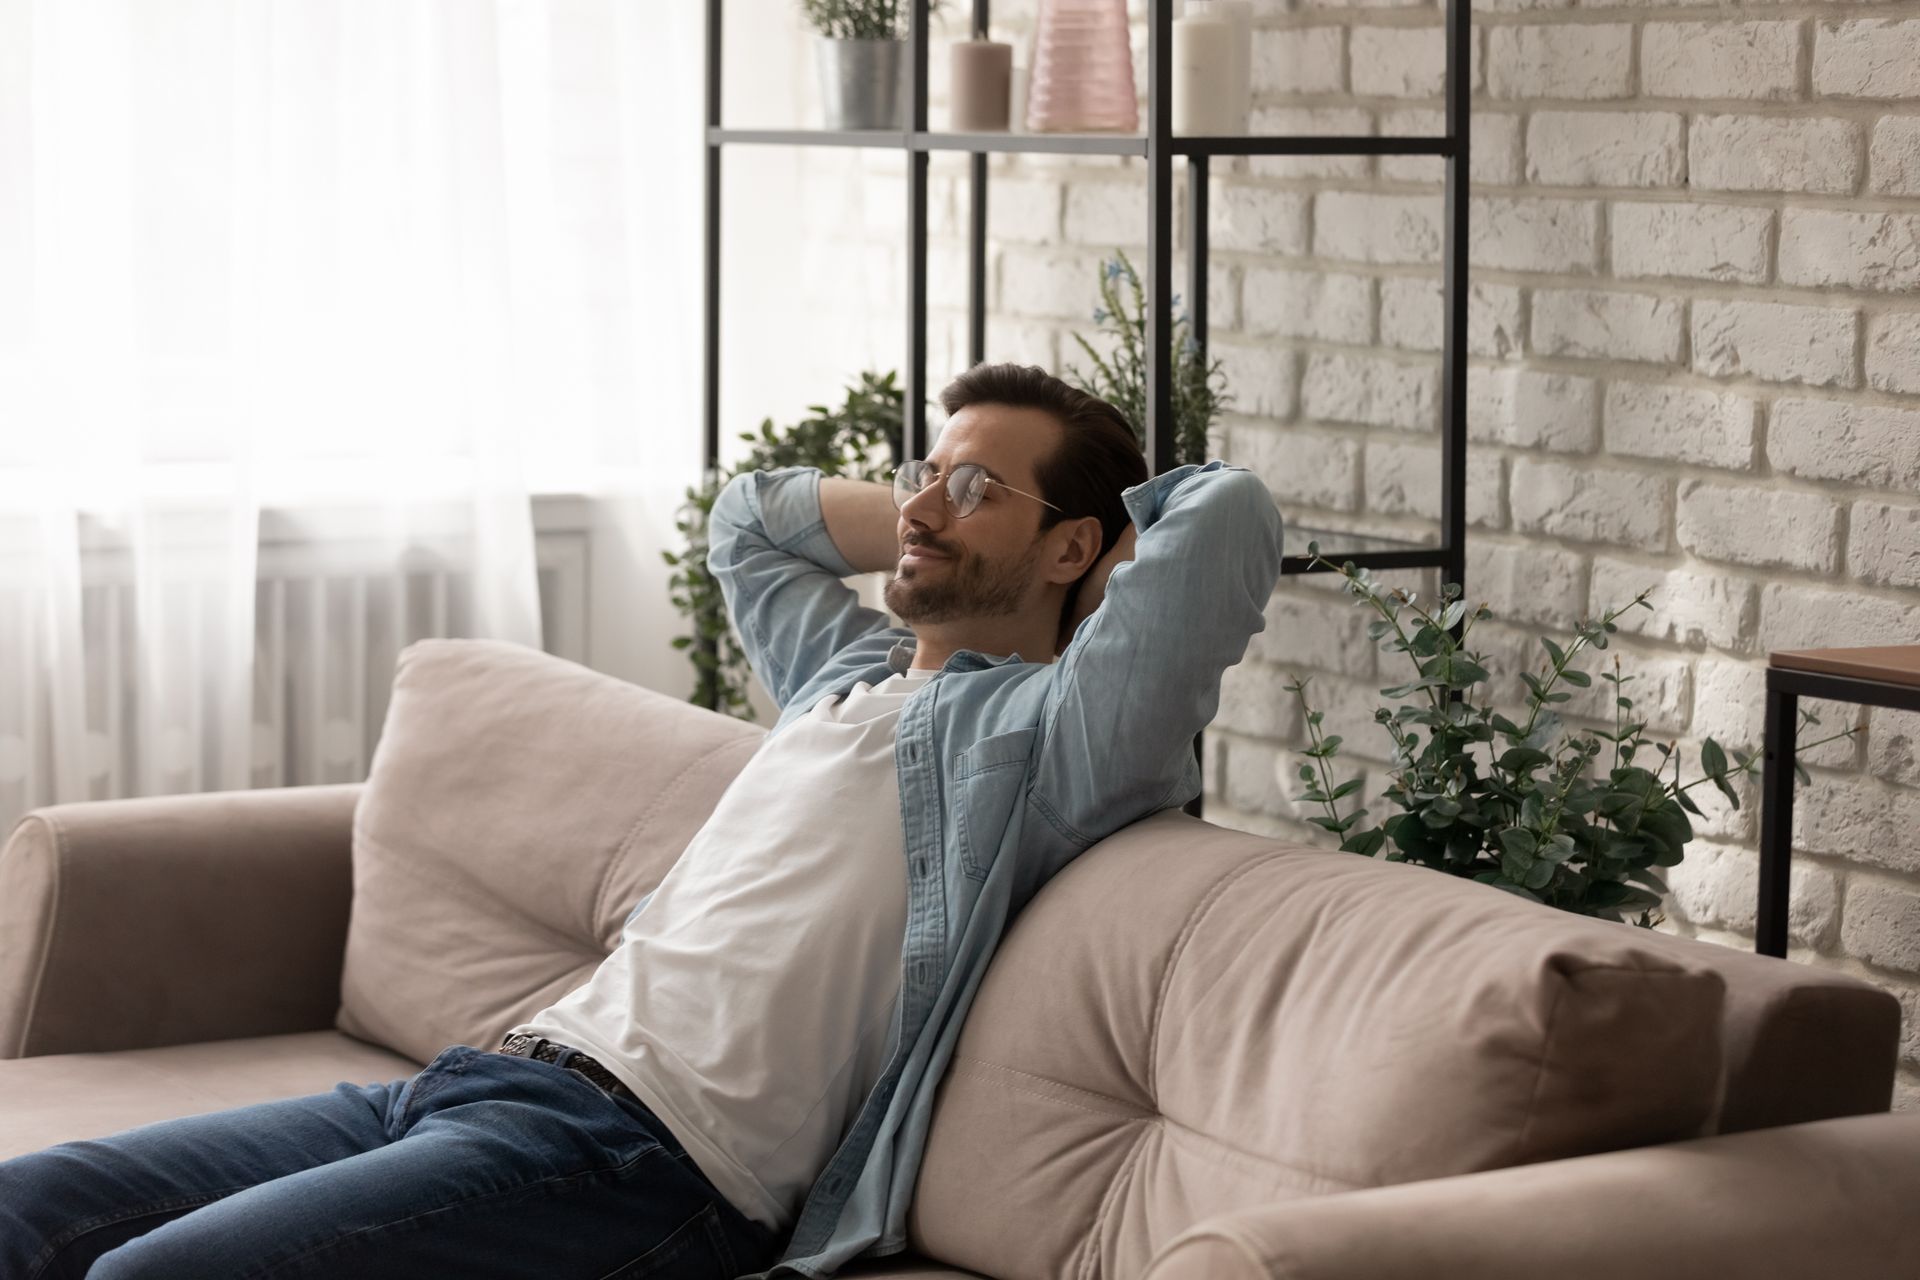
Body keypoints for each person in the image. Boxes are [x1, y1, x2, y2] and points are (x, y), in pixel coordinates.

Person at [0, 362, 1285, 1279]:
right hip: (484, 1076)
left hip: (649, 1157)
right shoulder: (842, 687)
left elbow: (1226, 517)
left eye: (974, 488)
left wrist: (1082, 544)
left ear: (1074, 548)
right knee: (30, 1206)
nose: (919, 507)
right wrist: (939, 511)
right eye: (921, 474)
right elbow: (746, 525)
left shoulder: (1051, 742)